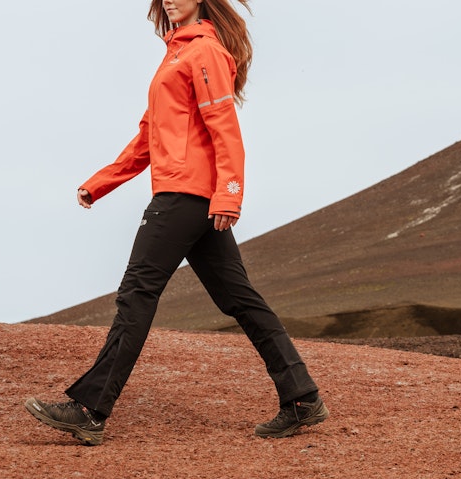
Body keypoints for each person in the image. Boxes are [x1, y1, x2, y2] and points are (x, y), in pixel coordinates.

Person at [24, 0, 326, 446]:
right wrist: (101, 183)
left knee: (137, 292)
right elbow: (149, 135)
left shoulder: (204, 52)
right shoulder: (176, 53)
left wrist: (230, 193)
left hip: (186, 195)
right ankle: (301, 397)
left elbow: (225, 127)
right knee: (239, 299)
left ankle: (89, 409)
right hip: (192, 196)